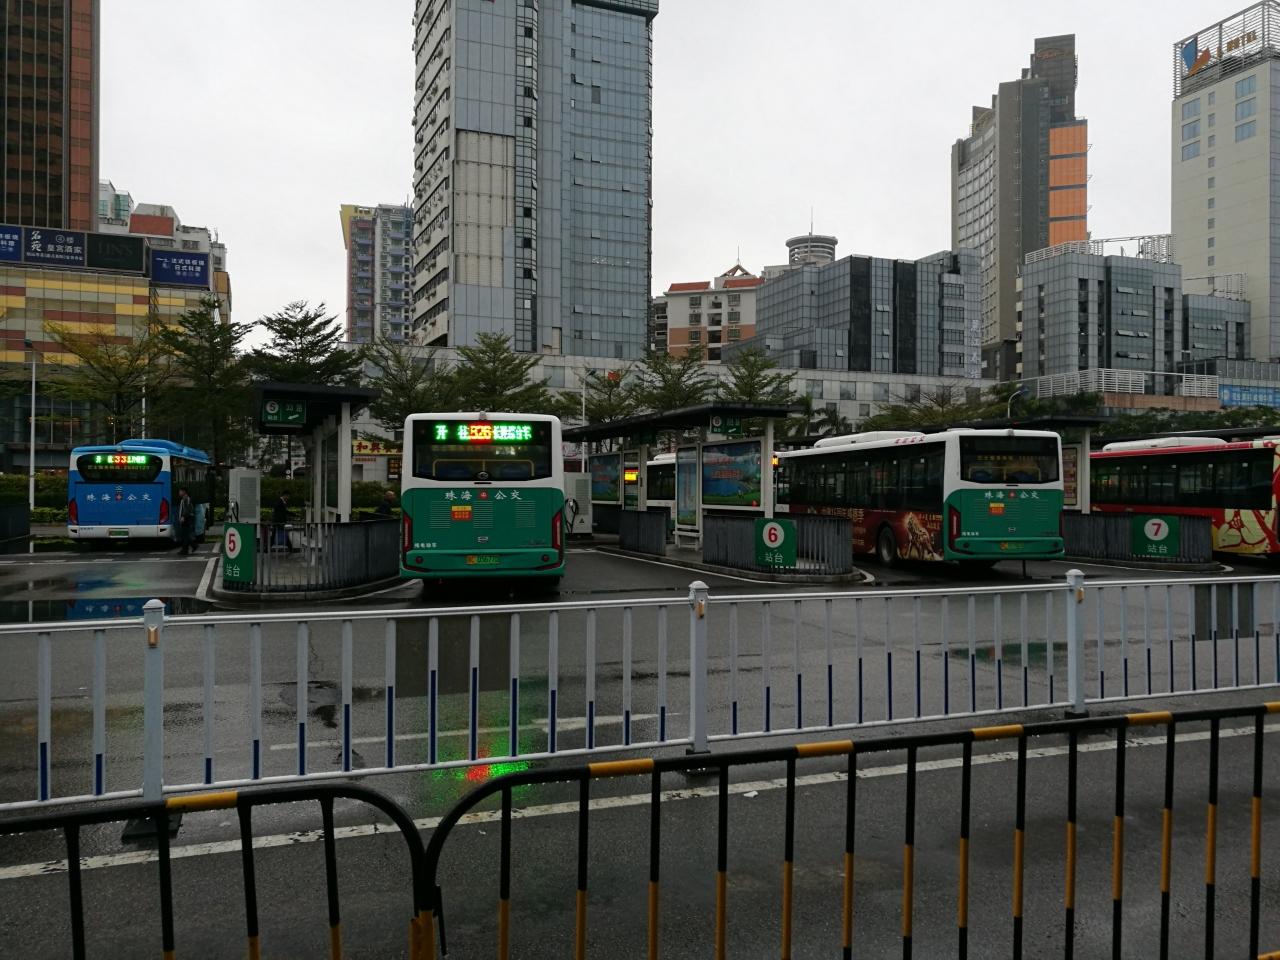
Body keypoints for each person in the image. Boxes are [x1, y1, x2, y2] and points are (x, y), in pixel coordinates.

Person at [176, 486, 195, 555]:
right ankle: (189, 547)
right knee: (185, 535)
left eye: (180, 491)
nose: (179, 493)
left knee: (184, 535)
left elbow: (187, 509)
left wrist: (183, 517)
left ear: (184, 492)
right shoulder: (185, 498)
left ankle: (186, 549)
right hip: (186, 518)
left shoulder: (186, 498)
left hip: (186, 519)